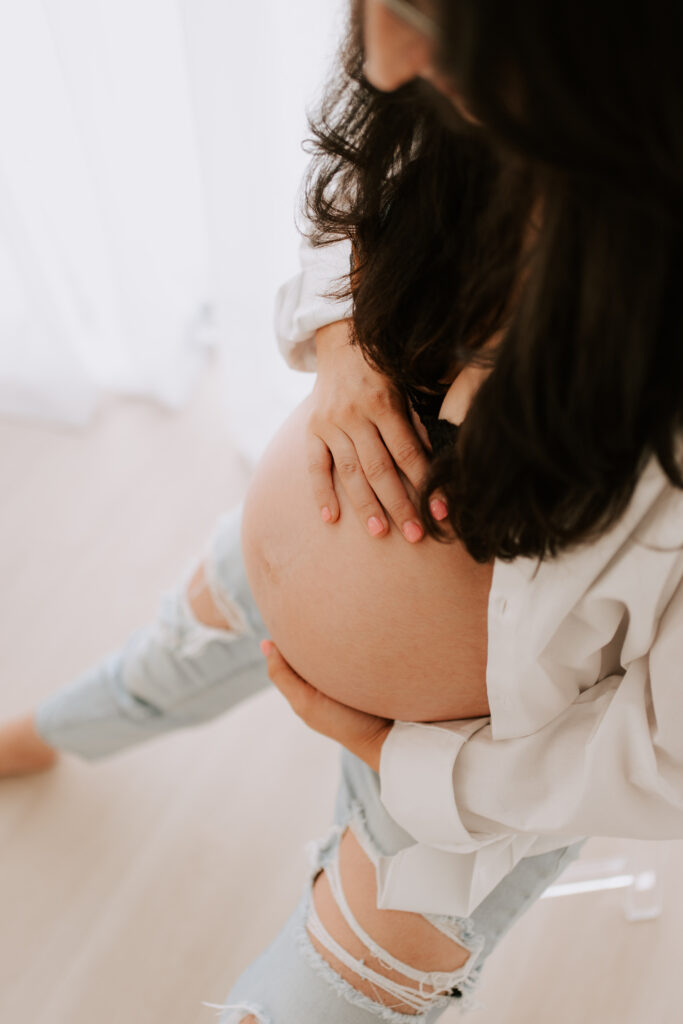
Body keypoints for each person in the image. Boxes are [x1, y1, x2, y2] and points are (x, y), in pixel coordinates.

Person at [3, 0, 683, 1020]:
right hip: (265, 564)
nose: (379, 55)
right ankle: (51, 731)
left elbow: (662, 756)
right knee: (154, 664)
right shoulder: (442, 97)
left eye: (420, 17)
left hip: (471, 793)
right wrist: (342, 349)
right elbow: (347, 217)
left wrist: (398, 758)